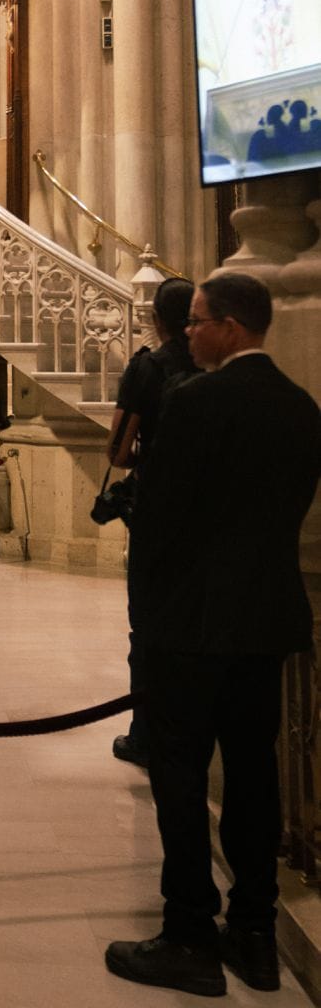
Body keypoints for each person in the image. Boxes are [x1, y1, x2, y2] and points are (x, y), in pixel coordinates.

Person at [106, 273, 321, 998]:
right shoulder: (301, 408)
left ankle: (190, 936)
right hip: (263, 625)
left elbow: (160, 524)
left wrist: (152, 614)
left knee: (179, 780)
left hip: (191, 631)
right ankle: (254, 936)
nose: (186, 334)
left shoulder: (193, 403)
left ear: (230, 326)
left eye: (196, 323)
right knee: (255, 781)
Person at [105, 277, 199, 771]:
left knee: (148, 629)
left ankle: (145, 735)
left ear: (156, 319)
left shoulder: (147, 367)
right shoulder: (211, 365)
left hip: (158, 513)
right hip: (207, 516)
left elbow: (118, 452)